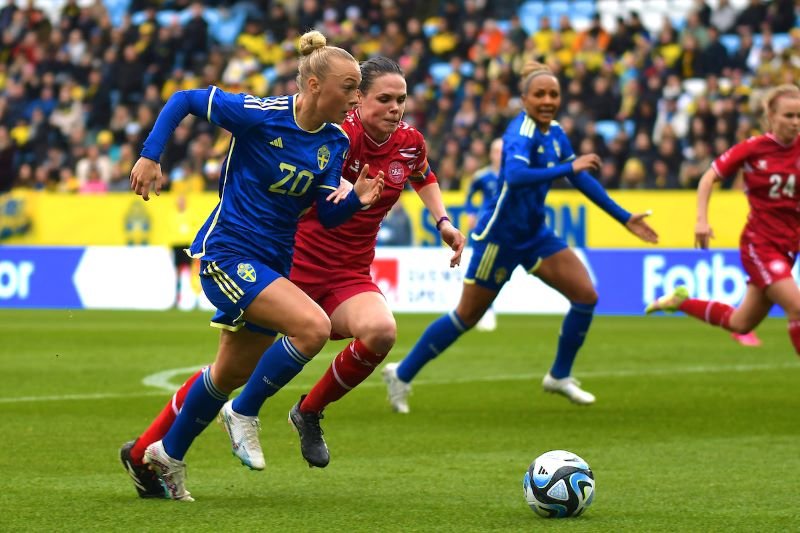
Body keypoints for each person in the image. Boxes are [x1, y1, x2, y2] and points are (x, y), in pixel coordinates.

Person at [120, 56, 464, 497]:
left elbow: (332, 210)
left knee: (227, 373)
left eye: (394, 98)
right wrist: (150, 156)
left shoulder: (338, 141)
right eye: (357, 91)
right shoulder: (271, 118)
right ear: (320, 87)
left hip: (289, 266)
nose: (362, 101)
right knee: (309, 329)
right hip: (240, 255)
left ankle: (157, 457)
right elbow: (187, 98)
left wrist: (362, 201)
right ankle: (243, 414)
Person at [381, 60, 658, 414]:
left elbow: (580, 177)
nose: (547, 100)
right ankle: (401, 373)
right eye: (539, 94)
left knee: (585, 295)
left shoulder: (554, 131)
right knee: (467, 316)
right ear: (524, 99)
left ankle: (559, 375)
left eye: (553, 94)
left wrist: (623, 217)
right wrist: (566, 168)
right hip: (500, 238)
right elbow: (515, 175)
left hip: (535, 233)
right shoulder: (520, 133)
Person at [646, 84, 800, 352]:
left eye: (799, 116)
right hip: (761, 244)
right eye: (789, 116)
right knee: (797, 307)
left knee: (741, 323)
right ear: (771, 116)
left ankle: (680, 302)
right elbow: (709, 178)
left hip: (789, 245)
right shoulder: (753, 149)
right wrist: (701, 221)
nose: (796, 122)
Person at [465, 137, 502, 332]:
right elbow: (469, 196)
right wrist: (471, 213)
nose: (500, 155)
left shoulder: (513, 175)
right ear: (491, 154)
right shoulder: (482, 176)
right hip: (486, 228)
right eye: (496, 151)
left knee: (497, 269)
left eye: (503, 151)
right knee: (483, 268)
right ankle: (487, 310)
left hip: (507, 227)